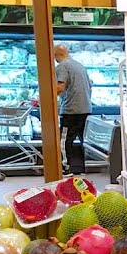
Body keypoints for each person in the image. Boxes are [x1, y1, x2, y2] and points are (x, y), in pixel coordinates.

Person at [53, 43, 92, 175]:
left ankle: (66, 167)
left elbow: (60, 88)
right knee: (82, 140)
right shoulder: (79, 65)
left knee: (64, 140)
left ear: (56, 55)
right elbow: (90, 84)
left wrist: (44, 98)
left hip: (71, 110)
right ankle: (80, 169)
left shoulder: (62, 66)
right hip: (85, 109)